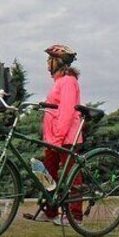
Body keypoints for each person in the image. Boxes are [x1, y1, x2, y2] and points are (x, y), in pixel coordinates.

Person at [32, 44, 83, 226]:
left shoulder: (69, 81)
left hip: (66, 139)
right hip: (53, 138)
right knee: (48, 174)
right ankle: (50, 211)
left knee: (72, 176)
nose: (47, 64)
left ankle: (75, 216)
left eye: (49, 60)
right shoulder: (58, 82)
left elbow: (67, 111)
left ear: (58, 62)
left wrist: (59, 137)